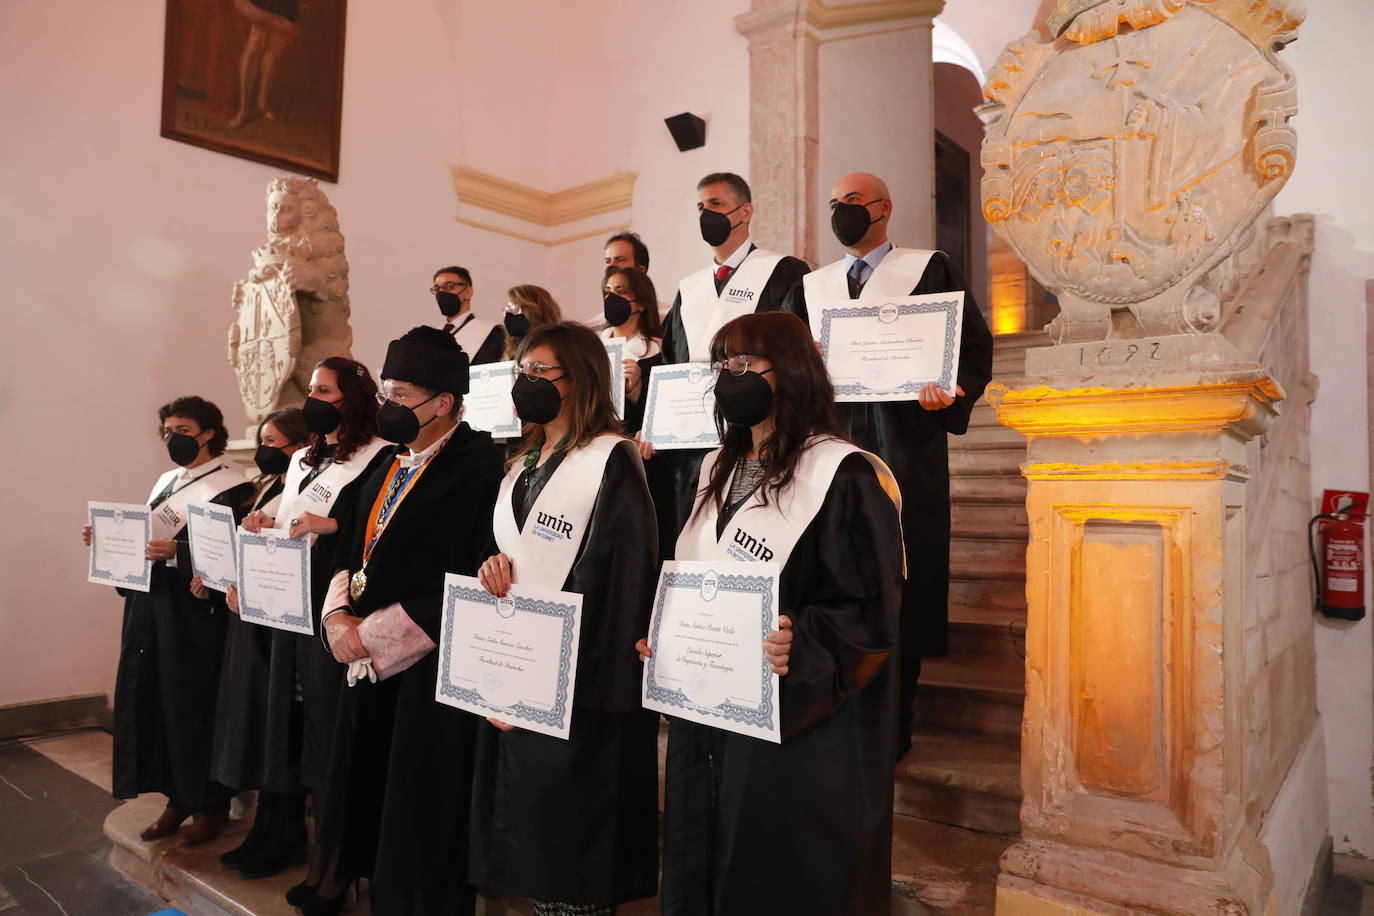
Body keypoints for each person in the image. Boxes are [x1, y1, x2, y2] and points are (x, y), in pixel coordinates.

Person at [640, 311, 905, 915]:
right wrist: (666, 635)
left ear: (788, 370)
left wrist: (803, 639)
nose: (728, 378)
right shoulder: (714, 468)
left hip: (794, 726)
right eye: (721, 366)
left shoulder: (843, 475)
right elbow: (694, 571)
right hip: (709, 709)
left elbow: (867, 611)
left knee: (768, 869)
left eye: (742, 364)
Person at [782, 171, 995, 758]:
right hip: (826, 447)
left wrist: (949, 390)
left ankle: (895, 721)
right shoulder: (812, 286)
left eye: (852, 201)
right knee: (830, 568)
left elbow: (971, 347)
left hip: (906, 446)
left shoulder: (929, 269)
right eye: (834, 203)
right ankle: (828, 701)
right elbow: (782, 362)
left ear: (884, 206)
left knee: (902, 572)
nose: (841, 210)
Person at [309, 327, 503, 916]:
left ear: (442, 403)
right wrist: (339, 614)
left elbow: (476, 575)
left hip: (427, 670)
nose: (388, 406)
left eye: (400, 395)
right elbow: (348, 550)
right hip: (363, 661)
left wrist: (369, 635)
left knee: (420, 805)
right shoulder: (388, 462)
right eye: (386, 392)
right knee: (363, 786)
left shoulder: (481, 468)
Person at [470, 322, 660, 915]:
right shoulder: (524, 460)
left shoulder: (610, 459)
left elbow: (623, 573)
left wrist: (555, 680)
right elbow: (515, 551)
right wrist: (494, 566)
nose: (526, 383)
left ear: (579, 379)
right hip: (522, 669)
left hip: (581, 683)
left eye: (540, 372)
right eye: (521, 372)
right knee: (539, 851)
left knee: (573, 855)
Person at [83, 396, 255, 845]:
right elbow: (149, 537)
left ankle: (210, 805)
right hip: (152, 608)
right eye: (168, 431)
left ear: (209, 433)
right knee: (158, 703)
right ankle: (177, 800)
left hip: (195, 618)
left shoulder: (232, 485)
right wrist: (108, 540)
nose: (172, 438)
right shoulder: (168, 481)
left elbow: (232, 553)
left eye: (182, 430)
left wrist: (180, 554)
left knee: (193, 705)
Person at [646, 171, 810, 555]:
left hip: (758, 435)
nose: (707, 214)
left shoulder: (783, 271)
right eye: (701, 207)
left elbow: (794, 355)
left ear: (745, 211)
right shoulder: (689, 288)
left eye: (716, 205)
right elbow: (672, 362)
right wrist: (655, 422)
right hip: (690, 440)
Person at [204, 407, 311, 877]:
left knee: (283, 732)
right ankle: (265, 828)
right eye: (262, 439)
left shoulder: (303, 488)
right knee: (266, 732)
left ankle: (285, 834)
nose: (266, 448)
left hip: (283, 624)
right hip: (255, 617)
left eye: (275, 441)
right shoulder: (267, 485)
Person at [601, 265, 662, 435]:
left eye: (620, 291)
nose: (611, 298)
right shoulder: (591, 347)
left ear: (641, 303)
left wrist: (635, 391)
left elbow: (659, 412)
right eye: (608, 291)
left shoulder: (658, 352)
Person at [432, 265, 506, 365]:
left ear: (468, 292)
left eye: (449, 286)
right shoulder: (433, 333)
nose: (441, 292)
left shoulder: (492, 332)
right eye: (437, 288)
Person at [501, 284, 563, 359]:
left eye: (514, 308)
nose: (507, 313)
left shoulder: (557, 345)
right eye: (507, 307)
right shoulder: (506, 345)